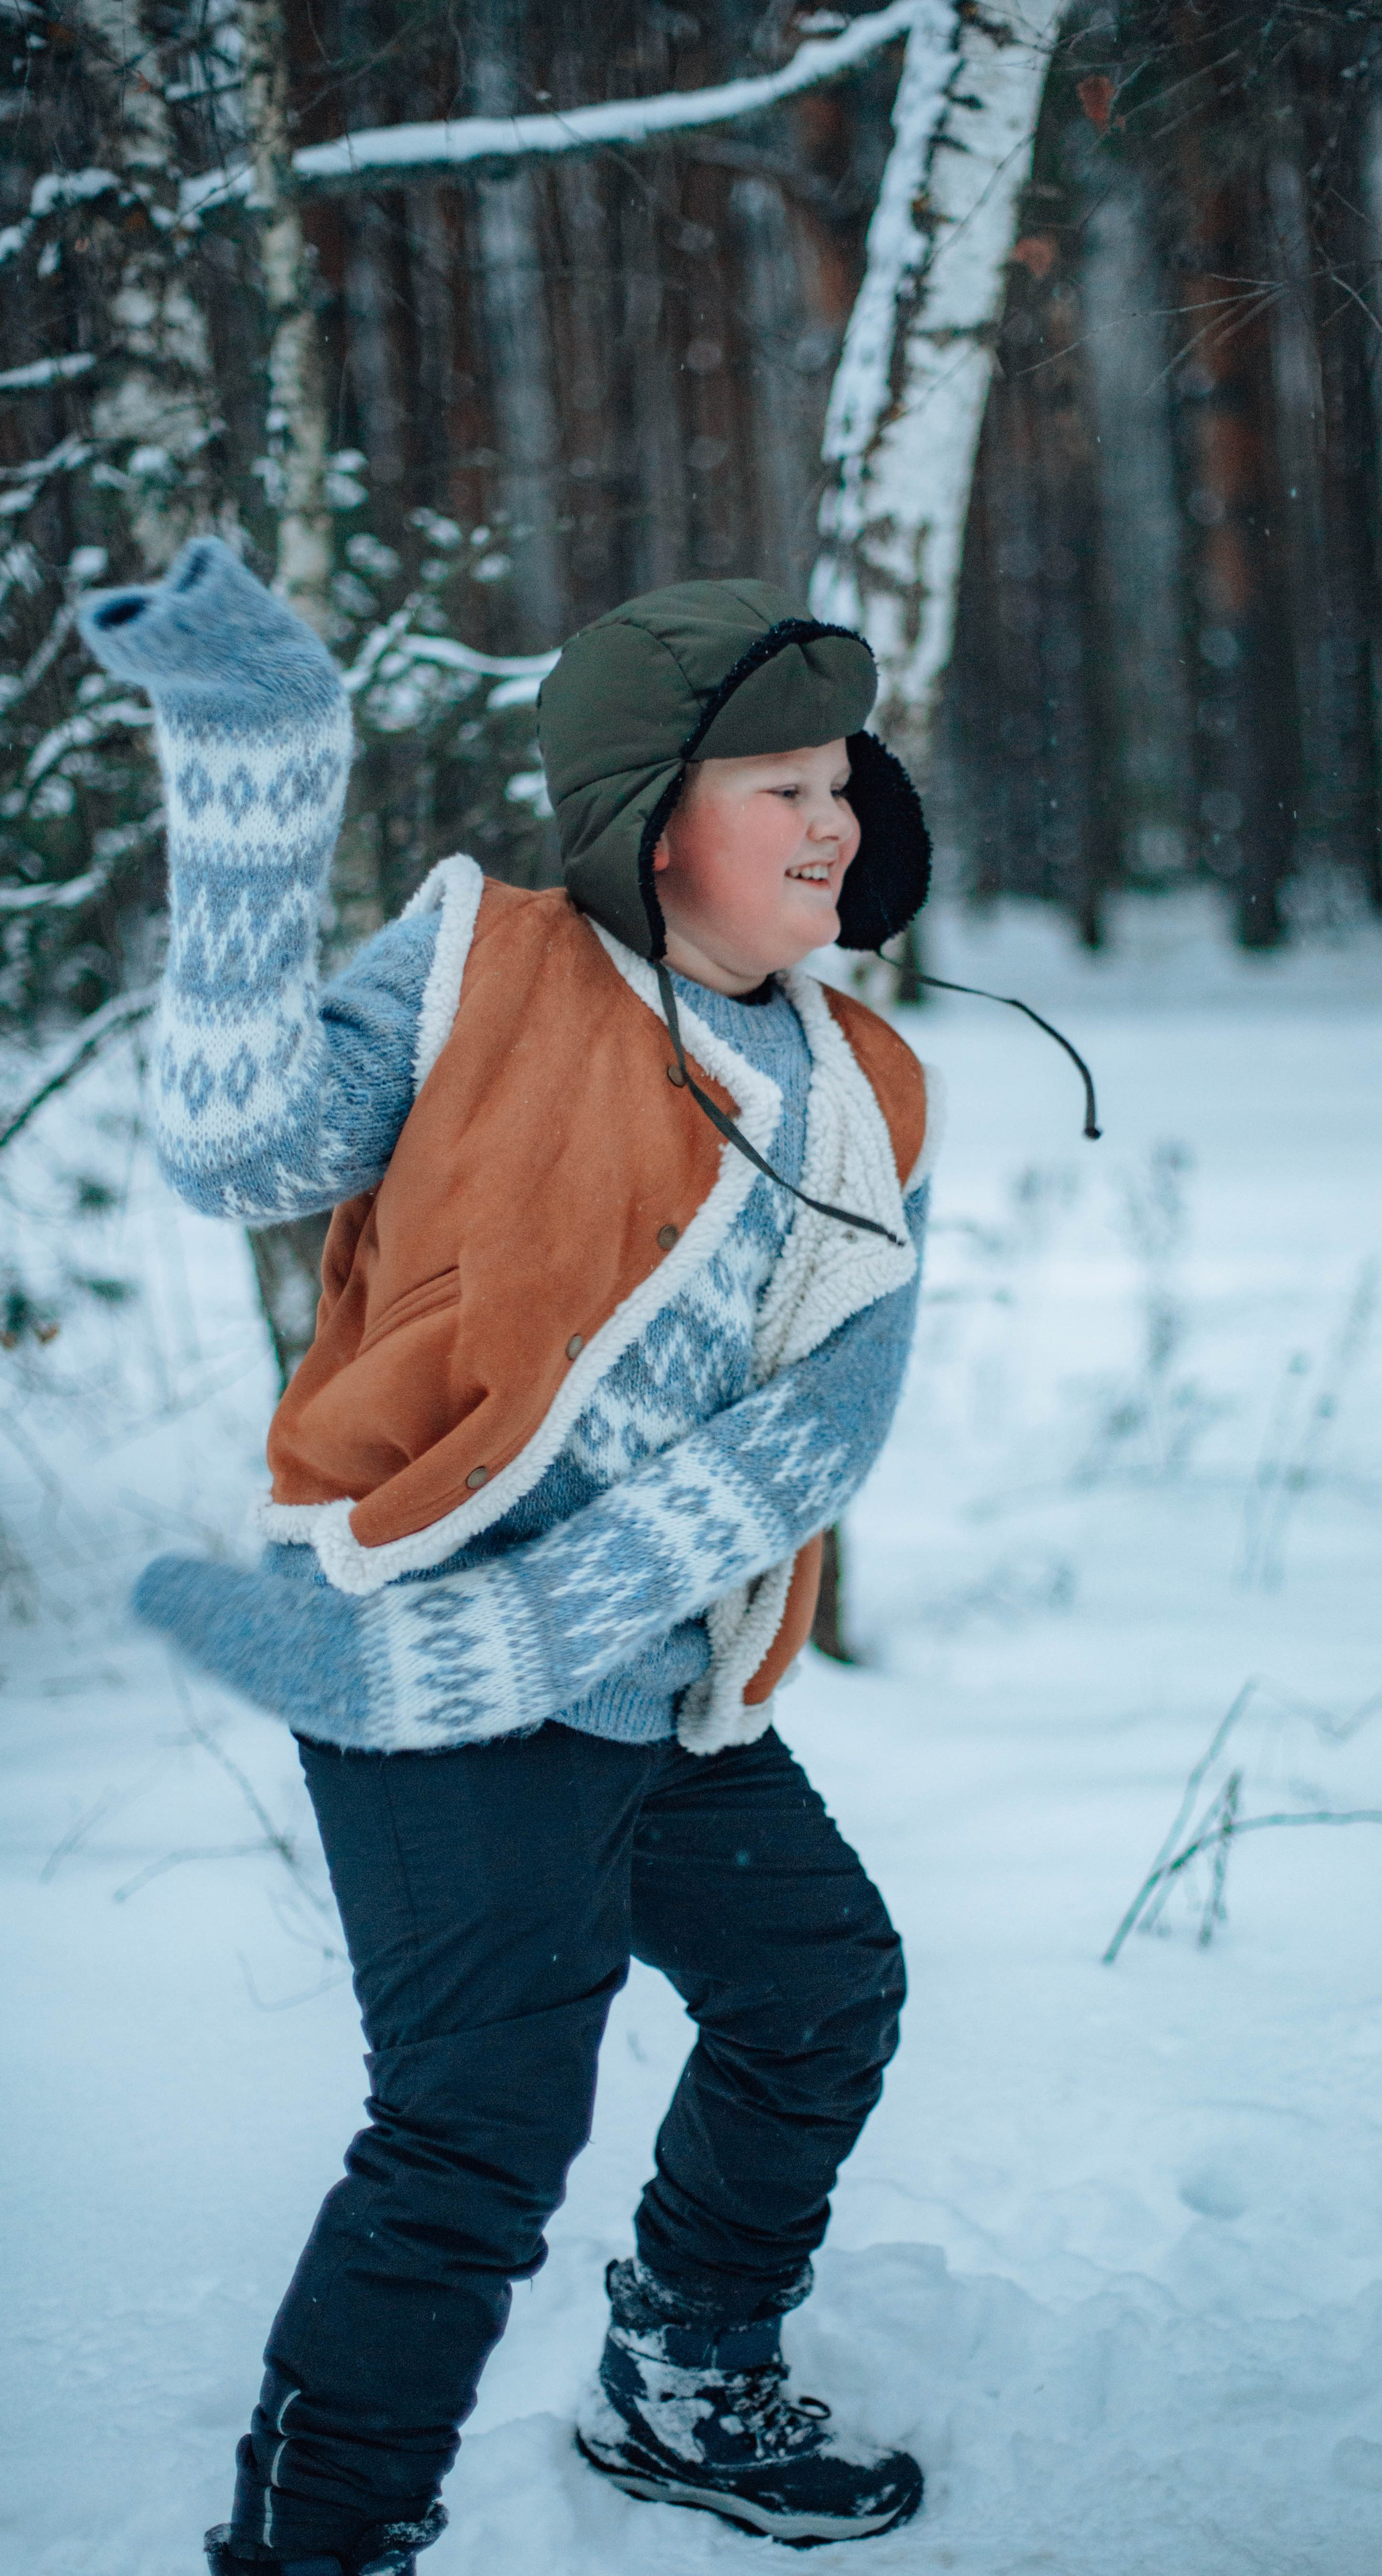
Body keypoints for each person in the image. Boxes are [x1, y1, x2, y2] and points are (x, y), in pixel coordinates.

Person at [77, 540, 943, 2573]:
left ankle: (683, 2376)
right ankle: (318, 2540)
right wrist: (262, 767)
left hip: (646, 1678)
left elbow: (831, 1414)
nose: (835, 819)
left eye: (843, 781)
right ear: (655, 824)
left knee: (819, 1991)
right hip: (405, 1656)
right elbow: (239, 1145)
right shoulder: (487, 970)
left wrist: (556, 1623)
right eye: (781, 785)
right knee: (477, 2129)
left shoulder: (867, 1083)